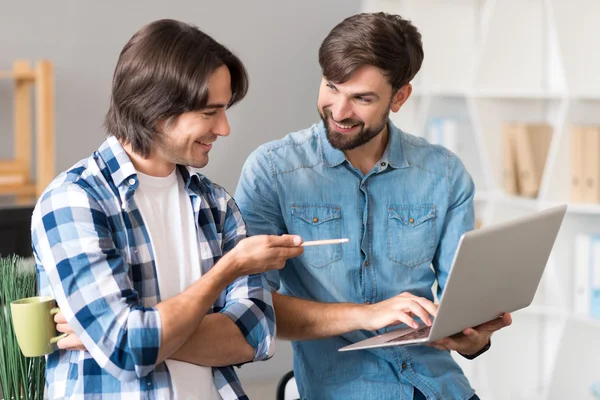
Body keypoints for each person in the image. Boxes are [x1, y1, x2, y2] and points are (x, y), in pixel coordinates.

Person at [234, 12, 512, 400]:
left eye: (362, 98)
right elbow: (252, 308)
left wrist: (472, 338)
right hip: (341, 389)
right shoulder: (273, 171)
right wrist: (368, 314)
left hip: (440, 387)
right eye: (332, 87)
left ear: (399, 97)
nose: (340, 111)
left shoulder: (444, 174)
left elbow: (458, 306)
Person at [31, 19, 303, 400]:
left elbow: (253, 336)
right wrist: (230, 269)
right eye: (210, 112)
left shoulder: (216, 204)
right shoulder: (72, 201)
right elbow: (127, 349)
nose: (224, 128)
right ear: (154, 109)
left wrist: (142, 334)